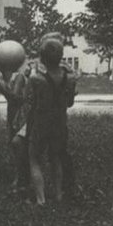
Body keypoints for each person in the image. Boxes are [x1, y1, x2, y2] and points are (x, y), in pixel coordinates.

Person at [25, 37, 77, 205]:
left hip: (41, 121)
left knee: (34, 158)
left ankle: (41, 199)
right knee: (56, 158)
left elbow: (29, 100)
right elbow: (70, 103)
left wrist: (33, 67)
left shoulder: (35, 78)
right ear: (61, 56)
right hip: (60, 121)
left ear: (42, 56)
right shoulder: (70, 78)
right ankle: (59, 195)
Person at [0, 58, 29, 191]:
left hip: (23, 112)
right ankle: (21, 176)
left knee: (19, 144)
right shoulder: (0, 77)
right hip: (12, 112)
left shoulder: (18, 76)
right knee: (13, 146)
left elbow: (16, 98)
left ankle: (21, 178)